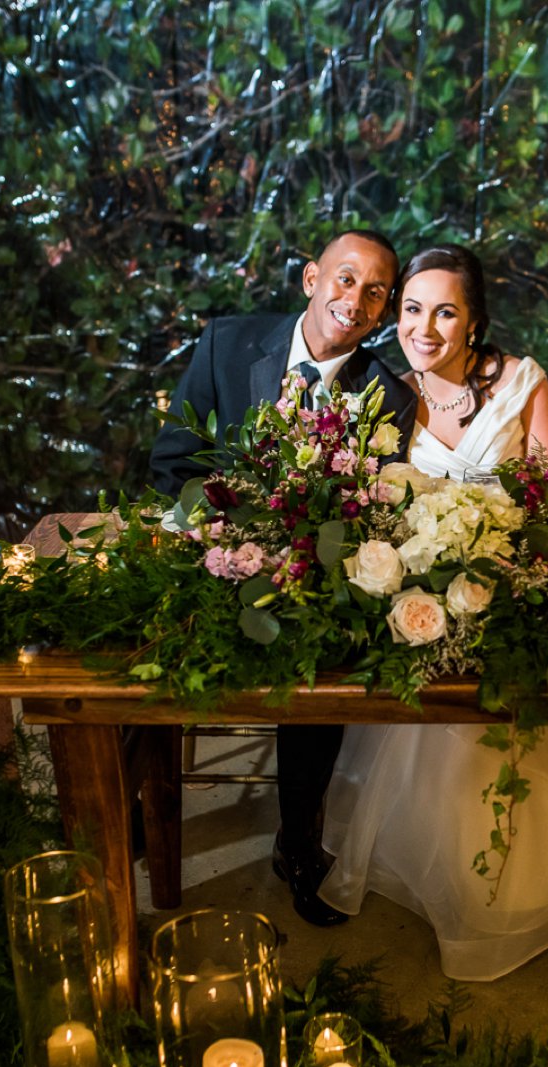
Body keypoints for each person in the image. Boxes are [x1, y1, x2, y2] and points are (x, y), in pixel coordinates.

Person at [318, 243, 548, 979]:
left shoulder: (523, 384)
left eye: (445, 312)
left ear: (475, 320)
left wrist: (500, 561)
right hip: (430, 598)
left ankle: (521, 892)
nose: (425, 328)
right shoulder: (380, 395)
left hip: (521, 583)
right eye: (412, 310)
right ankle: (453, 878)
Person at [150, 229, 418, 926]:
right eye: (344, 278)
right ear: (310, 279)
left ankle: (297, 840)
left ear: (385, 311)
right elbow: (173, 459)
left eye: (376, 291)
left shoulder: (386, 396)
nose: (354, 299)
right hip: (214, 556)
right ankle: (151, 811)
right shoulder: (227, 344)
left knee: (322, 646)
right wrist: (217, 535)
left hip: (310, 573)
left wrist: (300, 560)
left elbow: (372, 512)